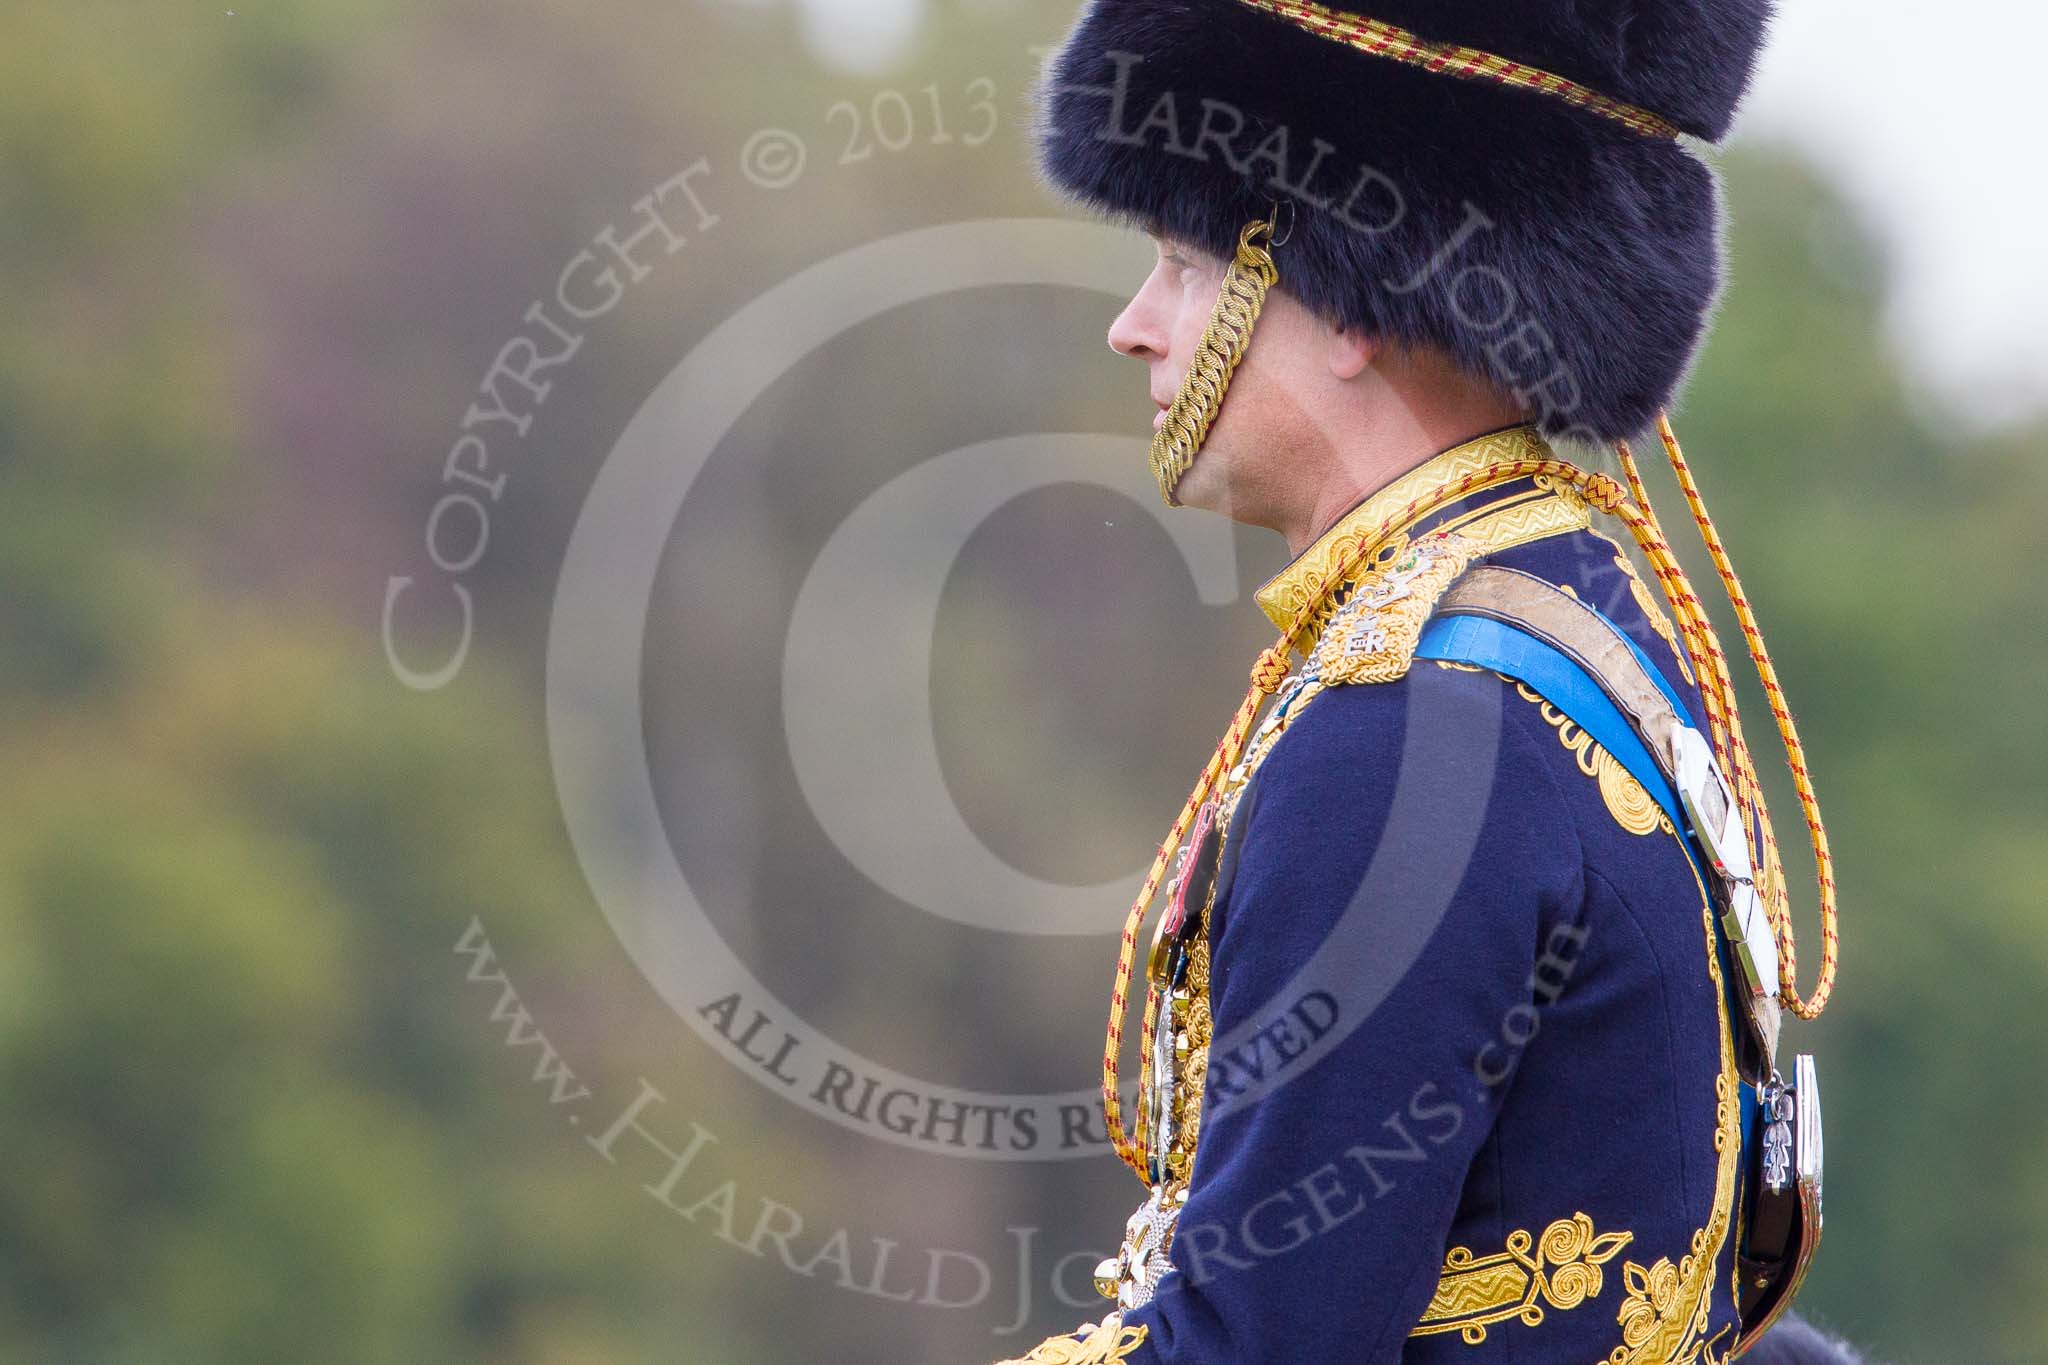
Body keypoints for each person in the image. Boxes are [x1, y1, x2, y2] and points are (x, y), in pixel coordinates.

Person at [993, 1, 1856, 1361]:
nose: (1136, 326)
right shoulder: (1577, 604)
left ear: (1342, 293)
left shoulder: (1402, 737)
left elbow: (1253, 1345)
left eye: (1178, 259)